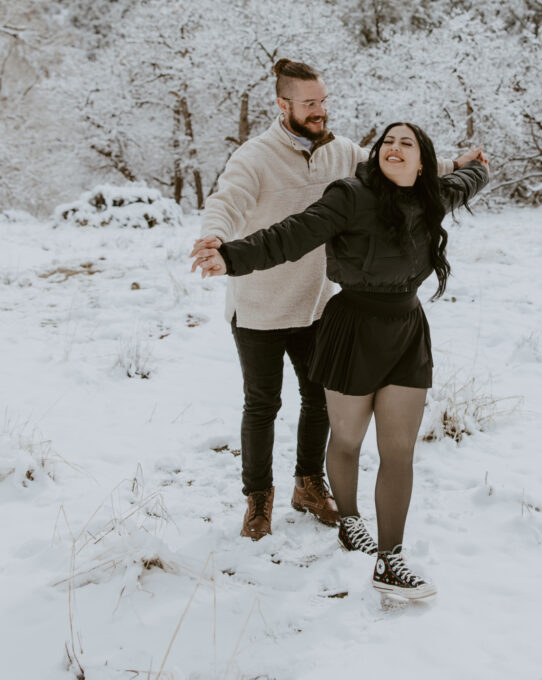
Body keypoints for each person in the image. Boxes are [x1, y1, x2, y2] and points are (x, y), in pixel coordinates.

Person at [192, 120, 489, 599]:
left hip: (407, 332)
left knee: (399, 452)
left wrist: (477, 166)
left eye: (405, 143)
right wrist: (231, 256)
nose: (393, 148)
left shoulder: (432, 196)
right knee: (347, 441)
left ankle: (390, 559)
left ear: (422, 161)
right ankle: (349, 521)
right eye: (387, 142)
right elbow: (292, 235)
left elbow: (469, 180)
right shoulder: (350, 196)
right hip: (352, 328)